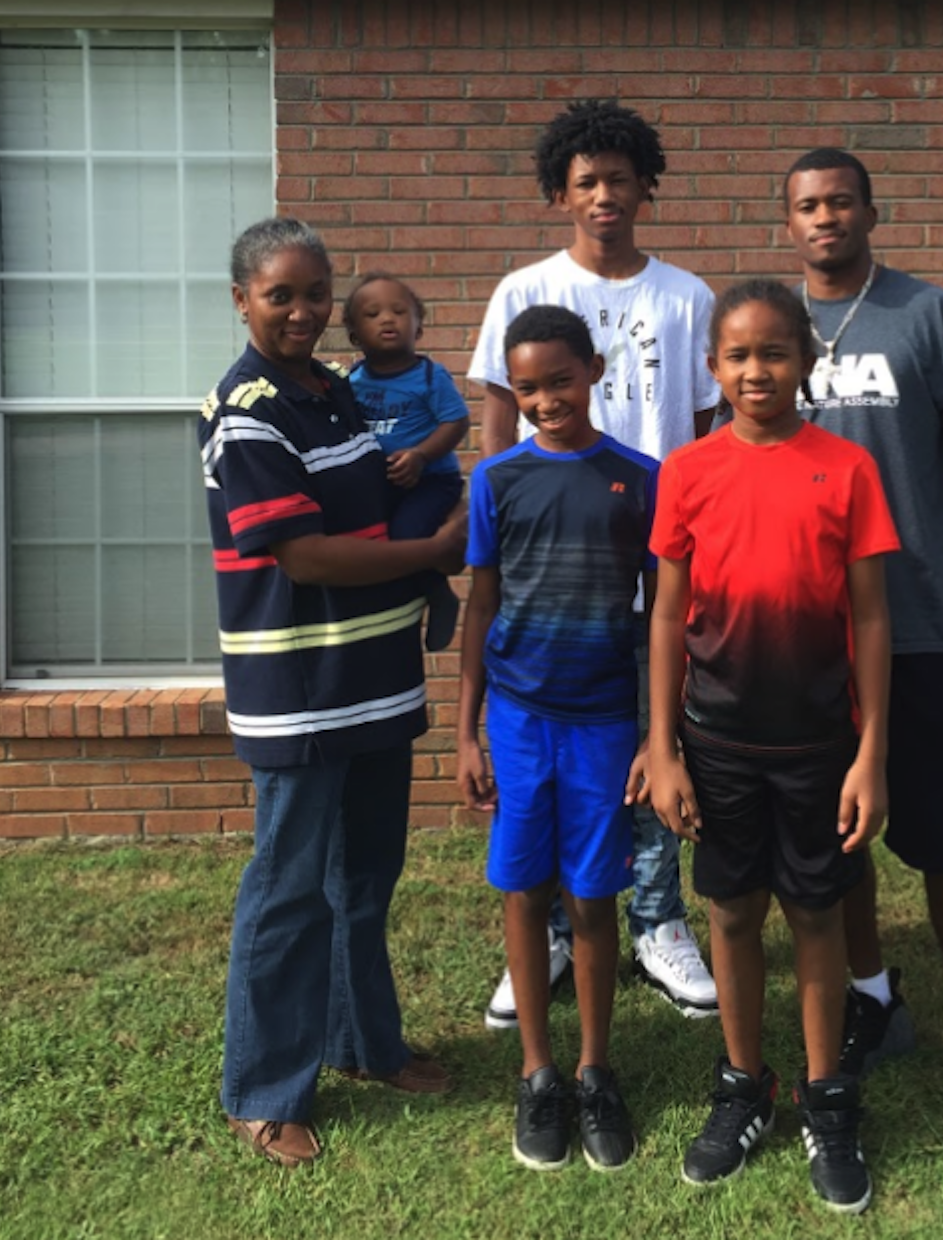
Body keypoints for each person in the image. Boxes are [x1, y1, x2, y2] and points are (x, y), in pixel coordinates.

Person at [778, 147, 943, 1162]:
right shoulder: (766, 329)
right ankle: (874, 998)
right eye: (805, 205)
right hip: (805, 636)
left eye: (839, 200)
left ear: (870, 212)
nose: (823, 217)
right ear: (786, 223)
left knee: (940, 838)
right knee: (835, 838)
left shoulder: (927, 315)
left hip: (921, 620)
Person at [199, 217, 465, 1169]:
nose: (306, 311)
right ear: (243, 301)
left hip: (375, 678)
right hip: (300, 687)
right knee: (290, 889)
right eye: (282, 294)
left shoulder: (339, 395)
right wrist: (433, 553)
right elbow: (302, 553)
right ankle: (264, 1089)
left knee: (364, 880)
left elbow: (394, 490)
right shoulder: (249, 409)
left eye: (317, 293)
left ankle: (365, 1044)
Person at [467, 97, 720, 1028]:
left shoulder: (686, 297)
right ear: (558, 193)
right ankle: (555, 938)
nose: (604, 195)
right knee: (545, 761)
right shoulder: (521, 290)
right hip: (549, 558)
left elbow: (698, 431)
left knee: (648, 740)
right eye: (585, 182)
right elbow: (498, 432)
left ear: (645, 186)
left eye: (619, 179)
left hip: (645, 547)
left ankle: (656, 919)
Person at [650, 279, 899, 1213]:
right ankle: (744, 1085)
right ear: (713, 367)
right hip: (716, 741)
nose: (758, 371)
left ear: (807, 361)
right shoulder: (687, 471)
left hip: (818, 745)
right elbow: (669, 615)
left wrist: (871, 750)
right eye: (739, 356)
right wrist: (664, 746)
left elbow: (871, 618)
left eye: (776, 353)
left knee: (817, 916)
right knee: (730, 915)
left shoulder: (846, 467)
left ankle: (827, 1100)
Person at [457, 305, 655, 1172]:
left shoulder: (642, 477)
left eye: (560, 381)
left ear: (595, 371)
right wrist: (466, 730)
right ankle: (538, 1073)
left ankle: (594, 1068)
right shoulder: (495, 481)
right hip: (520, 719)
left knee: (593, 899)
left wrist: (658, 734)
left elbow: (663, 618)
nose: (544, 400)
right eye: (527, 387)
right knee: (525, 892)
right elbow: (481, 602)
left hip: (607, 721)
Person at [344, 272, 467, 652]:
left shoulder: (430, 376)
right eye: (373, 313)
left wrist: (421, 455)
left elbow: (456, 421)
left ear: (419, 326)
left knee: (407, 536)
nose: (387, 319)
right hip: (381, 483)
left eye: (399, 311)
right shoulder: (352, 381)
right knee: (371, 546)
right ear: (353, 334)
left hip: (431, 481)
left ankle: (438, 594)